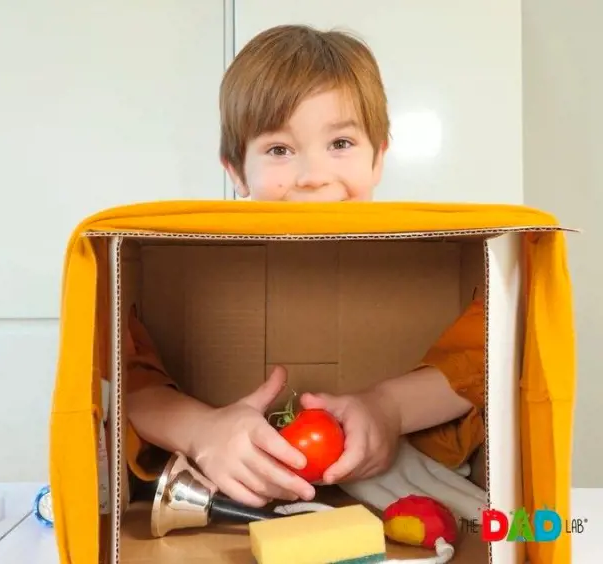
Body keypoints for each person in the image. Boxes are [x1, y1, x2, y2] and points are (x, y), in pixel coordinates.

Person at [123, 24, 485, 508]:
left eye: (340, 144)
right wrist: (202, 431)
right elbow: (126, 374)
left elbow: (487, 353)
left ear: (379, 158)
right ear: (235, 171)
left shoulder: (436, 268)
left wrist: (389, 409)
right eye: (279, 150)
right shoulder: (182, 268)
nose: (313, 177)